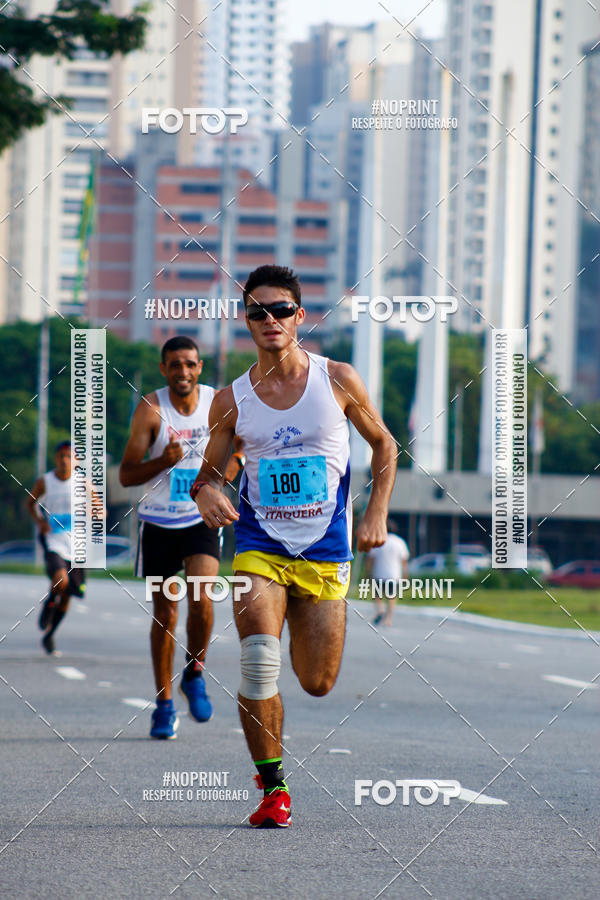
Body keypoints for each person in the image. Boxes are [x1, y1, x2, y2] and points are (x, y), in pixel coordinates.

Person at [190, 265, 397, 827]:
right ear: (246, 321)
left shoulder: (338, 379)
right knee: (259, 662)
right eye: (258, 311)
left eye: (281, 309)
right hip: (260, 546)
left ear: (299, 316)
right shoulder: (231, 399)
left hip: (326, 550)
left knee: (317, 682)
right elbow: (208, 475)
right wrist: (206, 492)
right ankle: (273, 788)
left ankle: (276, 770)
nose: (270, 319)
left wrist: (376, 511)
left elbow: (384, 444)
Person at [119, 336, 243, 740]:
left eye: (190, 364)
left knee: (203, 600)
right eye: (175, 365)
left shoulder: (217, 402)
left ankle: (194, 672)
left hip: (199, 518)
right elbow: (126, 475)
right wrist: (163, 461)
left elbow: (242, 446)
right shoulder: (151, 410)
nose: (183, 371)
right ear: (164, 369)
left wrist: (231, 468)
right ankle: (164, 704)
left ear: (200, 367)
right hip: (158, 523)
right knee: (166, 615)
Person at [27, 441, 87, 656]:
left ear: (76, 461)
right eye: (61, 456)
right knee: (61, 580)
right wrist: (39, 521)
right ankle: (50, 601)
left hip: (77, 545)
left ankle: (50, 634)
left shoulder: (83, 483)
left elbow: (100, 509)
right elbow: (30, 503)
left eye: (69, 457)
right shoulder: (46, 481)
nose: (64, 461)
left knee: (69, 595)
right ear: (56, 458)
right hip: (54, 541)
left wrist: (98, 513)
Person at [366, 519, 409, 627]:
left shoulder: (378, 541)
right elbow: (404, 561)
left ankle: (380, 609)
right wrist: (405, 575)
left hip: (379, 573)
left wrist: (367, 573)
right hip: (394, 574)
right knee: (391, 597)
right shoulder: (400, 542)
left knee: (377, 595)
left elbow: (370, 559)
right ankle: (388, 619)